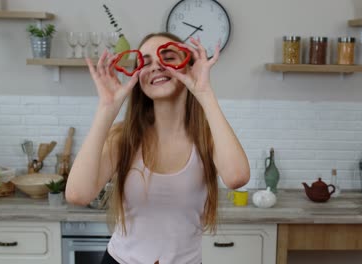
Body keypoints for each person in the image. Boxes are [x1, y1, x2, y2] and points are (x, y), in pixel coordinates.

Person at [65, 32, 250, 264]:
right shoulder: (124, 137)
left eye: (168, 58)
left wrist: (204, 92)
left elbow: (237, 177)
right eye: (145, 62)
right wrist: (106, 107)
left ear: (188, 67)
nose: (156, 67)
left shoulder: (207, 138)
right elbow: (77, 195)